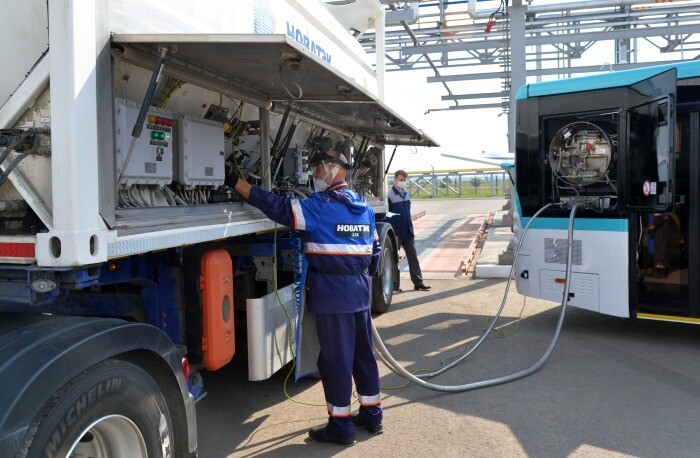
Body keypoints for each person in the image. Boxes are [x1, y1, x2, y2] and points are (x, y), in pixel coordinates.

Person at [231, 149, 383, 446]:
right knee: (363, 356)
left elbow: (278, 207)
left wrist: (241, 186)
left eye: (317, 169)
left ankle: (341, 427)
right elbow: (375, 251)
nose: (314, 175)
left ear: (332, 169)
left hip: (332, 295)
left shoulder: (319, 207)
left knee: (336, 361)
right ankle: (372, 415)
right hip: (360, 292)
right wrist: (360, 279)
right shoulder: (363, 206)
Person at [388, 170, 431, 291]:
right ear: (395, 179)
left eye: (404, 180)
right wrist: (396, 218)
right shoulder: (389, 195)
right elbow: (386, 213)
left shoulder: (406, 193)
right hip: (396, 231)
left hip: (408, 230)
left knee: (413, 256)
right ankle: (393, 286)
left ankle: (418, 282)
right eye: (400, 180)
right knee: (393, 259)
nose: (402, 182)